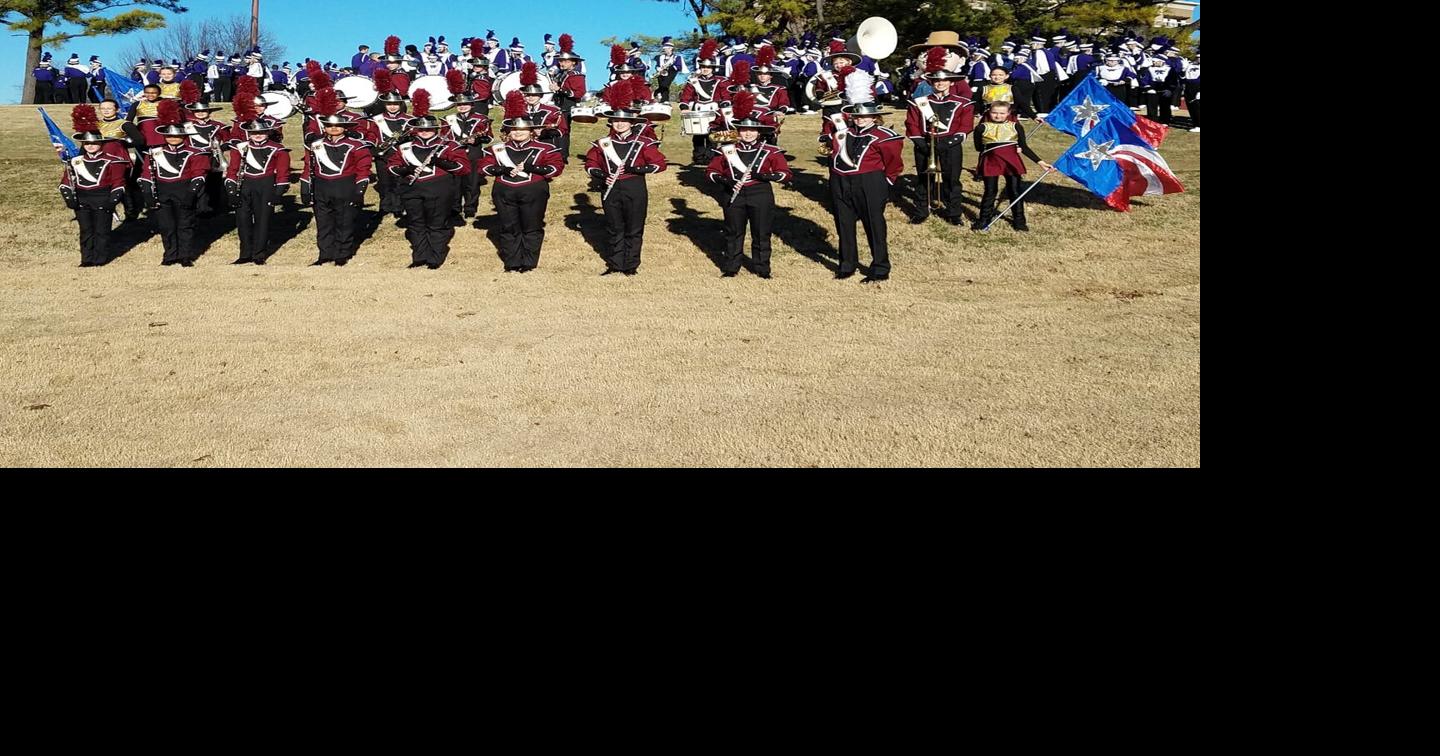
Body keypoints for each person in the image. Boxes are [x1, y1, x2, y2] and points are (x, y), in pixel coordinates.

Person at [703, 93, 791, 278]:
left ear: (759, 132)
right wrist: (725, 181)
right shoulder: (726, 149)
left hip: (760, 193)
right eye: (743, 130)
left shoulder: (770, 151)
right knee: (733, 232)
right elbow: (711, 173)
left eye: (752, 130)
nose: (748, 133)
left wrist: (764, 176)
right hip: (733, 193)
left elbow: (785, 174)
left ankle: (762, 268)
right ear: (738, 131)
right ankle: (731, 267)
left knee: (761, 232)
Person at [477, 91, 565, 272]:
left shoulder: (545, 148)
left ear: (531, 131)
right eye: (514, 129)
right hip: (504, 191)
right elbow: (483, 167)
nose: (518, 133)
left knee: (531, 226)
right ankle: (512, 262)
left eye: (523, 129)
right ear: (509, 131)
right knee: (509, 226)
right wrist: (502, 169)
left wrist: (532, 168)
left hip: (533, 191)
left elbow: (556, 168)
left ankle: (529, 262)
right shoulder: (496, 149)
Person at [583, 87, 666, 276]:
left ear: (631, 122)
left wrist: (636, 169)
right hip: (610, 187)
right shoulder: (601, 143)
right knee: (614, 228)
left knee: (634, 228)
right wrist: (603, 176)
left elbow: (660, 165)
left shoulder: (643, 142)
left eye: (624, 121)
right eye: (616, 121)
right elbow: (590, 165)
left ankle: (631, 265)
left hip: (634, 186)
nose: (620, 124)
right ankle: (615, 264)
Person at [387, 90, 471, 269]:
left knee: (436, 224)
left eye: (429, 129)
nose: (425, 132)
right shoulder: (405, 147)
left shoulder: (449, 145)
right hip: (411, 190)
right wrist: (406, 169)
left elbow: (464, 168)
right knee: (416, 224)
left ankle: (435, 257)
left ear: (436, 129)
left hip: (439, 190)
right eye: (421, 129)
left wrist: (441, 161)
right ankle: (419, 256)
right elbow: (391, 167)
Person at [823, 99, 903, 282]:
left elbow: (894, 163)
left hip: (869, 182)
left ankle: (880, 268)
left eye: (864, 116)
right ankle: (847, 265)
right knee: (843, 223)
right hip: (840, 181)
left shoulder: (885, 136)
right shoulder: (842, 133)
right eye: (857, 115)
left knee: (874, 225)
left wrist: (886, 182)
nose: (860, 119)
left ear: (874, 117)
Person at [300, 87, 373, 266]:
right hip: (322, 187)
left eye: (338, 126)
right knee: (323, 223)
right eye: (330, 126)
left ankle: (342, 254)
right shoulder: (316, 145)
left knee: (344, 221)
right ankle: (324, 254)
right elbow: (309, 166)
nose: (334, 129)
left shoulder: (355, 145)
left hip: (345, 185)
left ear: (345, 127)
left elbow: (363, 168)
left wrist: (359, 189)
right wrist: (305, 186)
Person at [905, 47, 974, 225]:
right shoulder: (919, 102)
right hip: (925, 143)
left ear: (951, 82)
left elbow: (966, 126)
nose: (940, 84)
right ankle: (921, 211)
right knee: (923, 179)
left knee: (952, 179)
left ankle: (953, 213)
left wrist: (951, 141)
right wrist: (920, 142)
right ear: (932, 82)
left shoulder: (962, 103)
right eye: (936, 81)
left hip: (950, 144)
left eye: (944, 81)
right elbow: (911, 123)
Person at [138, 100, 211, 266]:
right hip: (163, 192)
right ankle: (170, 255)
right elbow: (147, 175)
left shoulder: (195, 153)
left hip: (185, 190)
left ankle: (185, 256)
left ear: (184, 136)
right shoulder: (154, 153)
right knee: (166, 226)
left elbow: (199, 175)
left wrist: (191, 193)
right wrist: (148, 193)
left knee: (185, 225)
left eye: (177, 136)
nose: (173, 138)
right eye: (169, 135)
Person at [58, 105, 130, 266]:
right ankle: (86, 259)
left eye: (94, 143)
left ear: (101, 143)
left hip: (103, 198)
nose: (90, 146)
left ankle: (100, 258)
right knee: (85, 231)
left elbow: (118, 182)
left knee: (102, 230)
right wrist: (70, 199)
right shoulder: (75, 161)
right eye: (87, 143)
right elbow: (66, 182)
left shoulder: (112, 160)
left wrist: (113, 200)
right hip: (82, 199)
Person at [971, 101, 1051, 232]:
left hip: (1011, 162)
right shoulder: (982, 128)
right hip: (991, 162)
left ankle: (1019, 221)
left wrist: (1040, 162)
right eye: (994, 112)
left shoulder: (1016, 127)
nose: (998, 116)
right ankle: (983, 219)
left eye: (1002, 113)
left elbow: (1024, 147)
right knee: (990, 191)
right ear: (989, 112)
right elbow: (978, 147)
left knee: (1015, 191)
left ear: (1008, 113)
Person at [223, 109, 290, 265]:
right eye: (254, 132)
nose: (258, 135)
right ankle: (245, 254)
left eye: (262, 132)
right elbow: (232, 171)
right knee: (242, 220)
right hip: (245, 185)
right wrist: (231, 191)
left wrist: (278, 192)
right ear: (248, 133)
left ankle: (259, 255)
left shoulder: (278, 149)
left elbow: (282, 173)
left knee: (263, 220)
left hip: (266, 185)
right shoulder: (240, 148)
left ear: (268, 132)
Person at [443, 75, 493, 220]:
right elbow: (443, 138)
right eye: (459, 104)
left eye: (465, 104)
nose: (462, 106)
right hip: (455, 155)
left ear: (472, 104)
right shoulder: (448, 119)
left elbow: (489, 137)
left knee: (472, 183)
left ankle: (470, 207)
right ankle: (455, 207)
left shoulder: (481, 119)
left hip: (473, 154)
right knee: (455, 183)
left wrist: (475, 141)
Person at [679, 39, 725, 164]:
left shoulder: (720, 81)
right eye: (703, 67)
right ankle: (699, 158)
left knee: (713, 136)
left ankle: (711, 158)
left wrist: (724, 107)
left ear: (713, 68)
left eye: (708, 67)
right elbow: (686, 96)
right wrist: (684, 107)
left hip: (714, 111)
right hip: (698, 110)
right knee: (698, 136)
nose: (705, 69)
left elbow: (725, 96)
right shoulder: (693, 81)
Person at [652, 37, 687, 102]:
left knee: (665, 85)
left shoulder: (676, 57)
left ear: (671, 48)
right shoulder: (660, 57)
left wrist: (669, 67)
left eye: (666, 48)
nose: (665, 50)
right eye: (664, 49)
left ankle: (655, 93)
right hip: (661, 73)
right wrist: (658, 68)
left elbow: (679, 67)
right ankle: (665, 100)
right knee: (665, 87)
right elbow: (657, 65)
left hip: (671, 73)